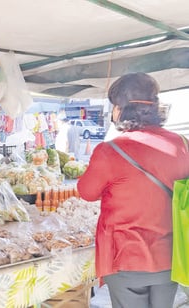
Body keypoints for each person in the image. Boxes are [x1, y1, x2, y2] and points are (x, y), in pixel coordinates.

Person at [77, 72, 189, 308]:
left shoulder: (110, 150)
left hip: (126, 257)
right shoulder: (182, 143)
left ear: (121, 109)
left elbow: (86, 192)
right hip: (170, 256)